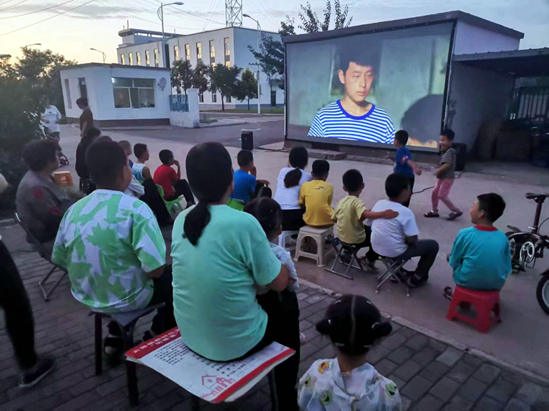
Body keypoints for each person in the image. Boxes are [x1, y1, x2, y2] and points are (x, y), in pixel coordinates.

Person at [171, 142, 299, 410]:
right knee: (289, 303)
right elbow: (279, 282)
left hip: (191, 334)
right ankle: (287, 400)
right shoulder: (243, 222)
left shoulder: (182, 219)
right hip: (235, 345)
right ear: (229, 180)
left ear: (191, 183)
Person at [52, 140, 175, 354]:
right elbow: (155, 270)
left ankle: (116, 334)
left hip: (87, 295)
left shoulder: (73, 210)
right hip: (131, 297)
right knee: (179, 279)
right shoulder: (136, 209)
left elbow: (60, 259)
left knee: (119, 272)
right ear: (123, 172)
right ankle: (156, 333)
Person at [298, 295, 401, 410]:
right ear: (377, 338)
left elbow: (302, 402)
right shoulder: (387, 392)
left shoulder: (316, 372)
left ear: (328, 335)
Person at [1, 180, 55, 388]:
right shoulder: (35, 184)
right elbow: (2, 182)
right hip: (46, 241)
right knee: (15, 303)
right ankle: (30, 365)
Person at [308, 47, 395, 144]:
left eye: (368, 75)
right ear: (342, 76)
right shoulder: (324, 117)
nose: (363, 84)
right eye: (356, 76)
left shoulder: (383, 120)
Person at [369, 173, 439, 288]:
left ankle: (396, 271)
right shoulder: (405, 212)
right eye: (409, 188)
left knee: (394, 238)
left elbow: (373, 226)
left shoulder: (379, 203)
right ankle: (418, 277)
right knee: (432, 245)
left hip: (377, 248)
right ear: (404, 192)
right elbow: (413, 240)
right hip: (395, 252)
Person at [445, 193, 511, 298]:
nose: (470, 209)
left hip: (467, 281)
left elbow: (454, 261)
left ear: (481, 213)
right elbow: (507, 268)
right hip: (496, 285)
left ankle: (459, 296)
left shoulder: (465, 234)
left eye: (472, 206)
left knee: (450, 256)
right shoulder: (503, 238)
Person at [332, 169, 399, 271]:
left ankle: (347, 251)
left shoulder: (341, 202)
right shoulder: (357, 202)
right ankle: (368, 260)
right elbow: (365, 214)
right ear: (362, 185)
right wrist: (383, 214)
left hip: (342, 237)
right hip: (356, 239)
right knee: (378, 236)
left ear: (344, 188)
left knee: (361, 228)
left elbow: (334, 219)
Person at [16, 140, 72, 253]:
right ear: (48, 160)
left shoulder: (42, 176)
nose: (59, 157)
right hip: (51, 240)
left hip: (57, 232)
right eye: (56, 154)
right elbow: (55, 219)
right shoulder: (36, 187)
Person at [425, 129, 462, 220]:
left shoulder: (450, 151)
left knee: (442, 195)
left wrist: (438, 170)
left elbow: (447, 164)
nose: (441, 142)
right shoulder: (445, 150)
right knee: (434, 193)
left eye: (443, 140)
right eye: (440, 140)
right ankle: (434, 211)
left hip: (447, 178)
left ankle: (455, 211)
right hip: (442, 177)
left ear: (451, 141)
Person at [273, 147, 312, 230]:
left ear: (289, 160)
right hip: (294, 218)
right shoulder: (308, 176)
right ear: (305, 162)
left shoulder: (283, 171)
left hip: (276, 215)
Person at [299, 160, 333, 227]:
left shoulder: (304, 185)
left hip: (308, 221)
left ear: (311, 173)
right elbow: (328, 204)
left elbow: (302, 203)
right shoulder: (329, 186)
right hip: (326, 222)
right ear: (326, 175)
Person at [393, 130, 422, 207]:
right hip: (409, 177)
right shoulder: (405, 150)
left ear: (396, 141)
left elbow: (407, 160)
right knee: (407, 194)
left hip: (403, 177)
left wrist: (415, 168)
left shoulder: (400, 151)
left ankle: (401, 210)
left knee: (401, 194)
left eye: (394, 139)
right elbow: (401, 161)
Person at [76, 127, 101, 194]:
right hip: (86, 170)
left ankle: (84, 187)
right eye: (98, 136)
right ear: (94, 136)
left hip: (79, 168)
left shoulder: (82, 142)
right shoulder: (91, 145)